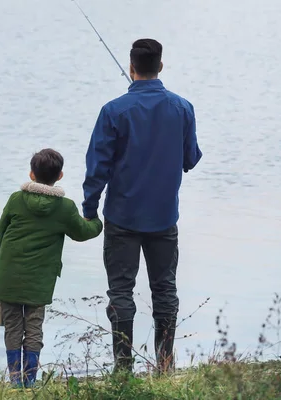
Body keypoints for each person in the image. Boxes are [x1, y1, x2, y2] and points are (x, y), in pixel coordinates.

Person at [82, 38, 203, 374]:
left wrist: (89, 209)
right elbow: (191, 159)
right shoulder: (183, 108)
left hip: (122, 217)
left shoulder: (113, 110)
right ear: (160, 66)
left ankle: (123, 368)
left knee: (121, 291)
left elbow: (97, 168)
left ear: (131, 67)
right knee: (164, 289)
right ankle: (165, 365)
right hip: (164, 216)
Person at [0, 148, 103, 388]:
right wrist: (96, 222)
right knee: (33, 327)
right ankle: (29, 381)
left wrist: (0, 260)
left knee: (12, 325)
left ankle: (15, 382)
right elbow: (82, 232)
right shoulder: (64, 207)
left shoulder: (16, 199)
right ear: (60, 176)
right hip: (40, 279)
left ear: (31, 174)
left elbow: (1, 232)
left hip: (9, 274)